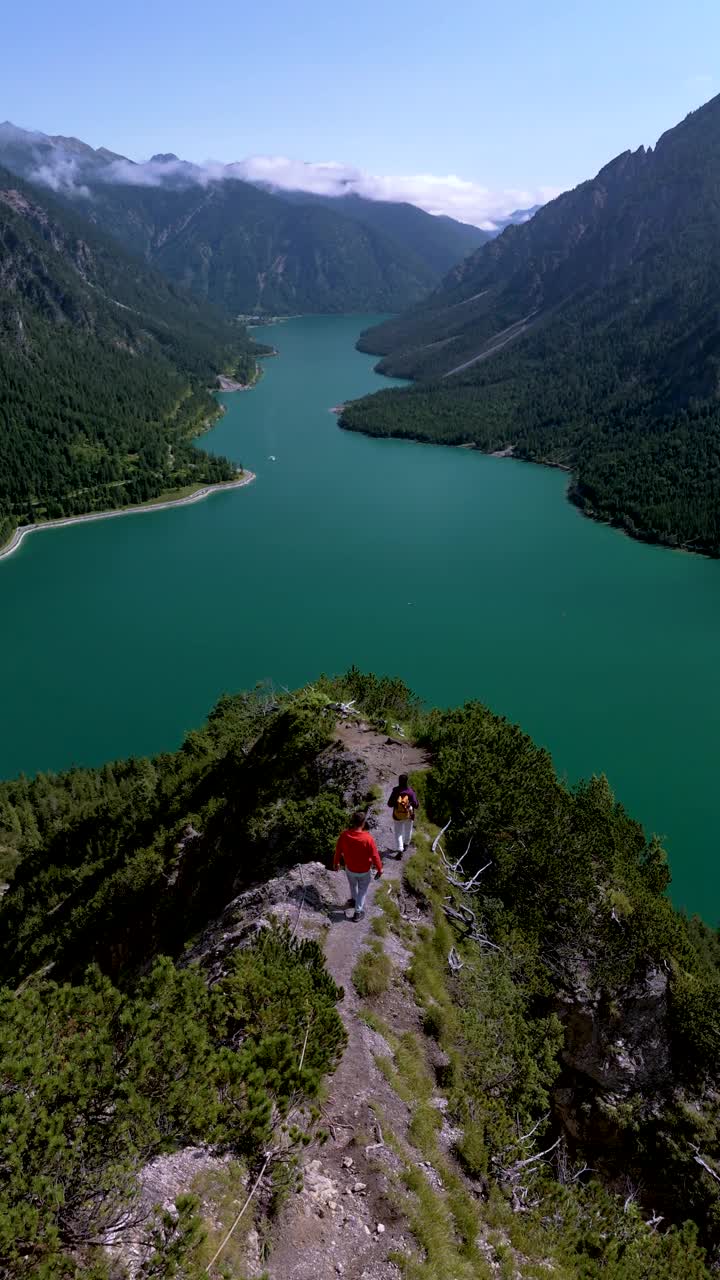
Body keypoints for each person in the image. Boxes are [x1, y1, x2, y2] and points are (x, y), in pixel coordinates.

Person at [333, 812, 383, 921]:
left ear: (353, 822)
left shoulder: (344, 835)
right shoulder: (368, 838)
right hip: (364, 870)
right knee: (362, 890)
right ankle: (358, 912)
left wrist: (336, 863)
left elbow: (338, 851)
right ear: (363, 823)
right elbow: (375, 855)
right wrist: (379, 869)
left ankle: (354, 900)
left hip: (350, 868)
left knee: (352, 884)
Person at [387, 773, 419, 858]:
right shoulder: (411, 792)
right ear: (407, 781)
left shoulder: (396, 791)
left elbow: (389, 804)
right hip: (409, 815)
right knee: (408, 831)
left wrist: (396, 803)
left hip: (397, 816)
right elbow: (416, 805)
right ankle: (406, 844)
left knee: (398, 833)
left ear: (399, 781)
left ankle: (400, 849)